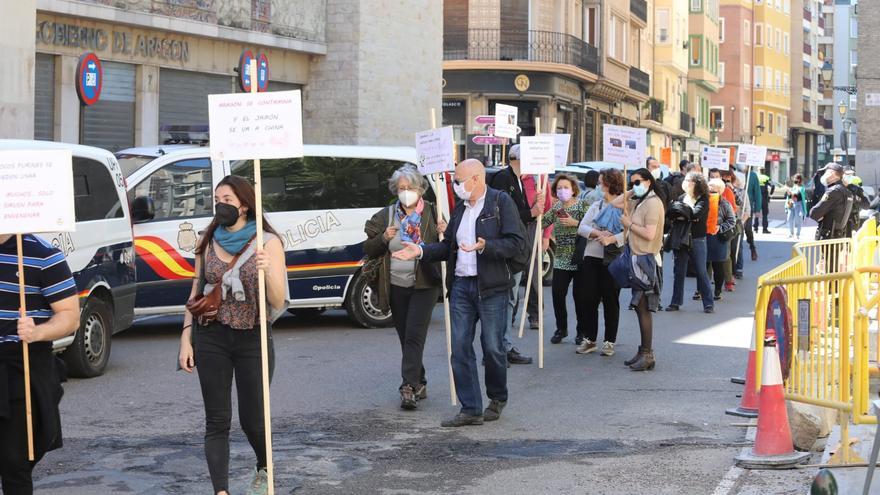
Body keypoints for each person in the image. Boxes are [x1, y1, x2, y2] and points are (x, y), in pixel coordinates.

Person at [178, 175, 290, 495]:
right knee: (217, 419)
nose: (220, 206)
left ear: (244, 205)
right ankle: (221, 490)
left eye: (226, 200)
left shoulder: (267, 242)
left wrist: (267, 271)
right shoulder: (207, 238)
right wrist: (186, 338)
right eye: (216, 200)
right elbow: (196, 291)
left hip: (253, 335)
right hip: (211, 334)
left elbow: (279, 301)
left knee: (252, 418)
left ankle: (264, 466)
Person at [393, 159, 525, 427]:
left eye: (459, 180)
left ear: (476, 179)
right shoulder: (460, 210)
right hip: (462, 286)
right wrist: (420, 251)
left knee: (493, 348)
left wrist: (485, 246)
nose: (455, 186)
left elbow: (516, 242)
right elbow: (447, 247)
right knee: (460, 348)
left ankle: (497, 397)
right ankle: (471, 408)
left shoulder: (500, 202)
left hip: (491, 286)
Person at [0, 234, 79, 494]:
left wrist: (37, 332)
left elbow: (70, 316)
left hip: (21, 364)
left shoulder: (43, 255)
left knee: (14, 461)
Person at [363, 165, 444, 410]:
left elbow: (449, 246)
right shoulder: (386, 216)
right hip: (396, 284)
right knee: (405, 336)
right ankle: (419, 381)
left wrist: (445, 231)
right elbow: (368, 249)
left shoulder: (434, 213)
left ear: (420, 189)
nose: (406, 192)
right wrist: (384, 239)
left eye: (410, 188)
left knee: (414, 335)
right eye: (401, 188)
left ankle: (407, 387)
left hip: (424, 283)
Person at [486, 144, 552, 365]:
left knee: (509, 299)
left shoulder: (520, 179)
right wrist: (531, 212)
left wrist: (535, 210)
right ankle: (497, 349)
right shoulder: (503, 178)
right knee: (504, 300)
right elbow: (506, 215)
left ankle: (503, 346)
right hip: (506, 249)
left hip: (516, 247)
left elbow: (520, 213)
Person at [601, 168, 665, 371]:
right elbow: (615, 203)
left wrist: (629, 224)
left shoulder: (653, 203)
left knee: (643, 306)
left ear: (649, 181)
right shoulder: (641, 200)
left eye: (638, 182)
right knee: (639, 307)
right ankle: (643, 350)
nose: (635, 185)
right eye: (632, 182)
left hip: (646, 259)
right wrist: (631, 190)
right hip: (637, 257)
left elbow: (649, 233)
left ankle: (647, 354)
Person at [576, 169, 624, 356]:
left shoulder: (624, 206)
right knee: (588, 299)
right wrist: (598, 233)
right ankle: (590, 339)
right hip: (592, 256)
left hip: (613, 259)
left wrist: (612, 238)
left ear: (611, 184)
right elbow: (582, 227)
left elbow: (629, 233)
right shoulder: (596, 205)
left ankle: (609, 341)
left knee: (611, 300)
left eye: (602, 182)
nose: (599, 186)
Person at [542, 174, 589, 345]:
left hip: (580, 258)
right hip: (561, 258)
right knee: (558, 294)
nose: (562, 191)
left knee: (580, 296)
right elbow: (541, 222)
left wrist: (575, 223)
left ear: (574, 189)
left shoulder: (583, 206)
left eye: (566, 187)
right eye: (559, 188)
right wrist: (537, 207)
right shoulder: (556, 209)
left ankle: (582, 331)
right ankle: (561, 328)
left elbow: (593, 227)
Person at [666, 172, 714, 313]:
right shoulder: (681, 197)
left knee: (701, 271)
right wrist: (684, 214)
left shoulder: (703, 199)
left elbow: (695, 214)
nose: (685, 182)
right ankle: (675, 302)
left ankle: (708, 303)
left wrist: (683, 213)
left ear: (696, 183)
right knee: (679, 271)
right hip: (681, 238)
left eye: (688, 180)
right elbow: (673, 214)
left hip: (697, 239)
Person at [706, 178, 737, 303]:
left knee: (718, 265)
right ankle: (702, 290)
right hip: (705, 236)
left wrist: (720, 227)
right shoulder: (703, 201)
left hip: (718, 238)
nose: (709, 188)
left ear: (719, 190)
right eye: (708, 186)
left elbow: (732, 221)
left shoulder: (724, 204)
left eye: (712, 186)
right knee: (703, 265)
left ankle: (717, 291)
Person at [809, 163, 854, 240]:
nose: (824, 176)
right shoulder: (847, 192)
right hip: (839, 237)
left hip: (829, 237)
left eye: (826, 173)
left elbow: (814, 213)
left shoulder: (833, 191)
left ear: (832, 174)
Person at [843, 169, 870, 236]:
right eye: (847, 174)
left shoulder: (856, 189)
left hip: (852, 222)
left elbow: (866, 205)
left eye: (851, 174)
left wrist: (855, 199)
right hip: (839, 222)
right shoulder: (836, 188)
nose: (849, 176)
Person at [784, 174, 808, 239]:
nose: (795, 180)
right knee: (789, 218)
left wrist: (790, 192)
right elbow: (788, 197)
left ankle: (797, 234)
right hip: (791, 204)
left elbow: (797, 195)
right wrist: (788, 193)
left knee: (798, 219)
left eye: (796, 178)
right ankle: (791, 233)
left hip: (798, 205)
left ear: (799, 180)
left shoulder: (802, 188)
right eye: (794, 178)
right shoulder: (792, 187)